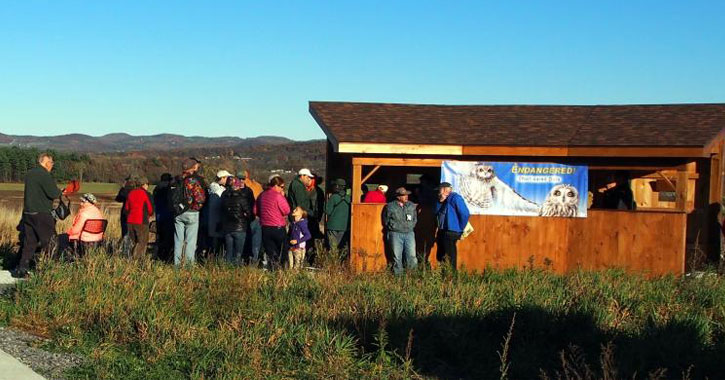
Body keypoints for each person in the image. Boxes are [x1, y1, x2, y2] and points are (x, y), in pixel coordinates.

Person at [14, 153, 63, 278]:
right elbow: (53, 193)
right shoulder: (44, 175)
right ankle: (50, 271)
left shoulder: (30, 174)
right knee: (51, 242)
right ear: (46, 162)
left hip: (28, 213)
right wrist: (60, 191)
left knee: (30, 243)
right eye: (51, 163)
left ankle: (22, 269)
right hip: (42, 213)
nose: (52, 165)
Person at [173, 158, 207, 267]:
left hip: (177, 213)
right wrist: (196, 208)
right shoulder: (193, 180)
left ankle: (177, 265)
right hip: (191, 212)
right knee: (190, 242)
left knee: (178, 240)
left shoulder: (176, 179)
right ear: (193, 167)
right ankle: (188, 266)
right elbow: (200, 198)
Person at [256, 176, 290, 270]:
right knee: (282, 252)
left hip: (265, 227)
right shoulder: (278, 196)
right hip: (278, 227)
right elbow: (286, 210)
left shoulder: (262, 195)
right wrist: (283, 197)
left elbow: (255, 210)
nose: (282, 189)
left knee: (271, 253)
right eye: (281, 186)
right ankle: (284, 271)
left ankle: (273, 271)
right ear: (276, 185)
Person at [382, 187, 418, 274]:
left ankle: (412, 275)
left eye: (407, 195)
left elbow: (415, 219)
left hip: (409, 233)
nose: (406, 196)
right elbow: (386, 220)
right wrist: (393, 227)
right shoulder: (390, 206)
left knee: (412, 255)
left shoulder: (411, 205)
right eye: (403, 195)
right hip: (395, 234)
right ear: (398, 197)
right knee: (397, 256)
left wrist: (411, 226)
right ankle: (398, 276)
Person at [434, 182, 470, 269]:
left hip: (451, 231)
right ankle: (443, 275)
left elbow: (465, 213)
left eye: (439, 190)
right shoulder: (440, 200)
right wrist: (440, 202)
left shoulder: (455, 198)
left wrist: (460, 227)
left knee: (450, 256)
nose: (438, 193)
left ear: (444, 190)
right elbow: (436, 212)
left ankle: (451, 277)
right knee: (441, 255)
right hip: (442, 230)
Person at [220, 177, 253, 265]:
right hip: (240, 227)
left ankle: (227, 270)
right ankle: (236, 271)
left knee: (229, 252)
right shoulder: (242, 198)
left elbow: (222, 211)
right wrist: (247, 218)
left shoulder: (224, 197)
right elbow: (249, 213)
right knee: (238, 253)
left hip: (227, 228)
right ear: (238, 186)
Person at [125, 177, 154, 258]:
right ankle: (137, 261)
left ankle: (130, 258)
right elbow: (150, 209)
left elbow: (126, 208)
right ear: (144, 184)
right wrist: (150, 214)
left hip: (130, 221)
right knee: (142, 242)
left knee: (133, 242)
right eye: (147, 184)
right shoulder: (145, 194)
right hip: (141, 221)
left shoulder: (130, 193)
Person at [238, 171, 263, 265]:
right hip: (253, 217)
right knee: (255, 241)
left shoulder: (231, 189)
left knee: (243, 241)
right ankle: (253, 261)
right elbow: (256, 203)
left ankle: (243, 260)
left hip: (240, 220)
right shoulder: (255, 187)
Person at [207, 170, 232, 256]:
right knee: (216, 243)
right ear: (222, 178)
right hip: (217, 221)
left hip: (212, 220)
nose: (228, 180)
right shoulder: (219, 190)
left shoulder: (211, 188)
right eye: (227, 178)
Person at [153, 173, 174, 262]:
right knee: (168, 238)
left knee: (159, 237)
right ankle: (167, 257)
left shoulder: (156, 188)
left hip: (159, 215)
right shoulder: (168, 188)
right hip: (168, 216)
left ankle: (158, 255)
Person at [325, 178, 351, 251]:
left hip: (333, 226)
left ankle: (333, 261)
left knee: (333, 247)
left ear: (337, 186)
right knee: (341, 246)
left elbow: (327, 211)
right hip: (344, 226)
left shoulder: (333, 197)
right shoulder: (349, 198)